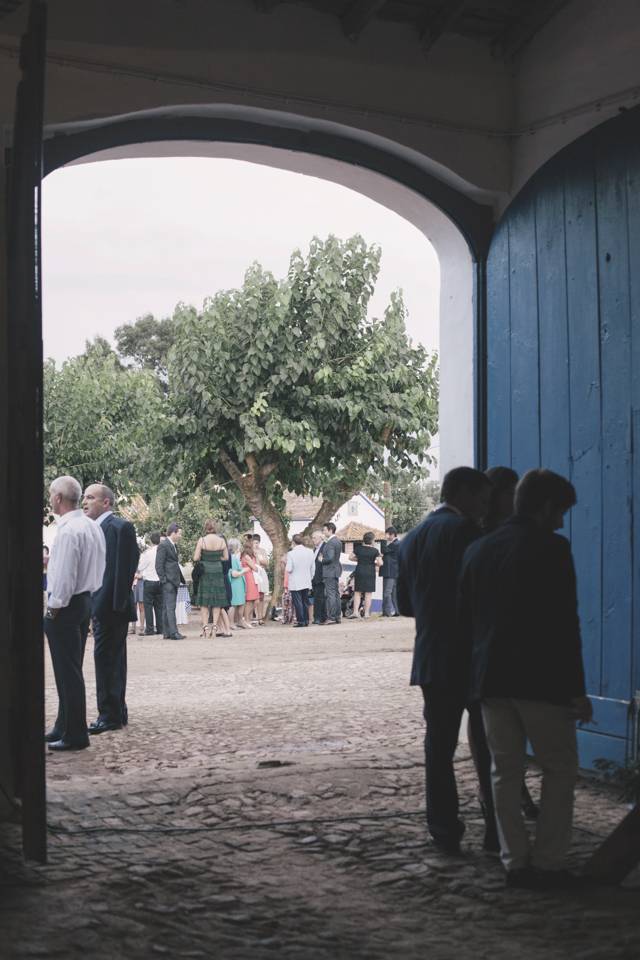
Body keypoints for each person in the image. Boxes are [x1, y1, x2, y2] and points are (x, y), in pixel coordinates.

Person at [459, 469, 592, 889]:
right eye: (561, 511)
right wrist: (577, 689)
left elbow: (466, 621)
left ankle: (515, 861)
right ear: (545, 506)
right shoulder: (552, 548)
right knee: (559, 769)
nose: (562, 521)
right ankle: (549, 861)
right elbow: (564, 623)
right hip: (541, 678)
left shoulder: (478, 550)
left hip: (491, 679)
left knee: (504, 772)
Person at [397, 466, 496, 854]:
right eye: (483, 500)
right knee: (488, 743)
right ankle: (497, 826)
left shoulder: (411, 538)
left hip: (431, 654)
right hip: (471, 653)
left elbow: (405, 605)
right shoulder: (468, 532)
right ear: (464, 494)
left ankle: (443, 828)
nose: (486, 509)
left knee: (438, 748)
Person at [44, 476, 106, 751]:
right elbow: (97, 567)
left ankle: (75, 734)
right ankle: (64, 724)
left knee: (67, 672)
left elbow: (65, 577)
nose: (50, 499)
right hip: (84, 600)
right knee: (70, 669)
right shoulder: (91, 526)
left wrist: (53, 608)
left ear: (58, 498)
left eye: (51, 495)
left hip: (66, 606)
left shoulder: (69, 531)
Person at [83, 483, 139, 734]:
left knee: (108, 661)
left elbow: (125, 568)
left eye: (90, 497)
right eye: (84, 497)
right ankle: (116, 710)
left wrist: (115, 605)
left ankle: (109, 715)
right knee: (110, 660)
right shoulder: (91, 528)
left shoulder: (120, 527)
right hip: (98, 605)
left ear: (106, 502)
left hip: (111, 608)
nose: (85, 502)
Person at [193, 520, 230, 638]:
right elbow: (226, 557)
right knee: (217, 601)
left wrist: (206, 557)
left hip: (205, 571)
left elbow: (195, 558)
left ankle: (205, 628)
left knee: (204, 602)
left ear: (205, 528)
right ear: (215, 528)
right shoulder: (221, 541)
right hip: (217, 570)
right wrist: (216, 558)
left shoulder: (202, 540)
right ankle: (214, 628)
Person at [155, 522, 186, 640]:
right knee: (170, 607)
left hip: (173, 580)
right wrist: (163, 580)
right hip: (168, 581)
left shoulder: (173, 545)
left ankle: (167, 632)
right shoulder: (163, 545)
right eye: (179, 534)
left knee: (166, 607)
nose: (180, 536)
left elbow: (174, 564)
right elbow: (158, 565)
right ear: (173, 533)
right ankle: (173, 633)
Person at [348, 531, 381, 619]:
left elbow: (350, 557)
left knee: (357, 592)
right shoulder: (375, 551)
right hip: (370, 572)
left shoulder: (358, 548)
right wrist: (373, 563)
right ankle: (366, 614)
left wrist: (359, 560)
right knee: (368, 593)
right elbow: (380, 563)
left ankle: (355, 612)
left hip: (360, 571)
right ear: (372, 540)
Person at [286, 534, 316, 628]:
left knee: (297, 601)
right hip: (306, 580)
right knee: (305, 601)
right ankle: (306, 620)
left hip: (295, 581)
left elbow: (289, 569)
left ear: (293, 542)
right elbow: (313, 567)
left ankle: (301, 620)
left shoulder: (291, 553)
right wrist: (310, 577)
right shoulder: (310, 552)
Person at [137, 531, 163, 635]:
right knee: (159, 606)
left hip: (149, 582)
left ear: (151, 541)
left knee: (148, 606)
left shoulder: (147, 553)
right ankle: (160, 628)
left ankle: (150, 629)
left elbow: (140, 567)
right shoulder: (162, 551)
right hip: (160, 582)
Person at [321, 522, 342, 624]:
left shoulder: (330, 542)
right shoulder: (338, 541)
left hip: (329, 571)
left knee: (331, 595)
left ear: (330, 530)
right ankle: (337, 616)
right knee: (336, 594)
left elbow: (330, 557)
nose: (323, 532)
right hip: (335, 570)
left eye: (324, 530)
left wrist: (322, 559)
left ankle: (331, 617)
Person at [228, 538, 251, 628]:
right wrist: (245, 570)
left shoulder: (235, 557)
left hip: (239, 583)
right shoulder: (233, 558)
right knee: (233, 604)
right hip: (235, 583)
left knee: (241, 603)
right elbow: (234, 574)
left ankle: (240, 621)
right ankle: (231, 623)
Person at [380, 526, 400, 617]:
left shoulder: (396, 544)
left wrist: (383, 540)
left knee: (387, 592)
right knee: (394, 593)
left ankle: (386, 612)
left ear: (392, 534)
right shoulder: (396, 543)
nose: (386, 536)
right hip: (394, 571)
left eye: (387, 534)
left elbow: (384, 550)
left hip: (390, 571)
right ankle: (397, 611)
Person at [252, 533, 270, 623]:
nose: (256, 544)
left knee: (261, 595)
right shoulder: (249, 551)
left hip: (261, 573)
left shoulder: (262, 551)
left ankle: (260, 617)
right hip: (253, 573)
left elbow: (266, 563)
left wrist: (259, 559)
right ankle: (253, 616)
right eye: (254, 542)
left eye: (257, 543)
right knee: (254, 596)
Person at [240, 540, 261, 620]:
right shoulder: (246, 557)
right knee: (249, 600)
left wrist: (256, 556)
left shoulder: (250, 556)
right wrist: (255, 567)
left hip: (252, 577)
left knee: (255, 600)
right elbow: (255, 568)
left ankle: (247, 618)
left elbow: (257, 565)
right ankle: (247, 619)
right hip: (249, 577)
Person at [310, 529, 326, 624]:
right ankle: (317, 617)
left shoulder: (325, 547)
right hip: (315, 577)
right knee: (317, 598)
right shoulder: (315, 549)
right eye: (312, 538)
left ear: (320, 538)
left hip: (321, 576)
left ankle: (320, 618)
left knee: (321, 598)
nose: (313, 540)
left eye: (314, 538)